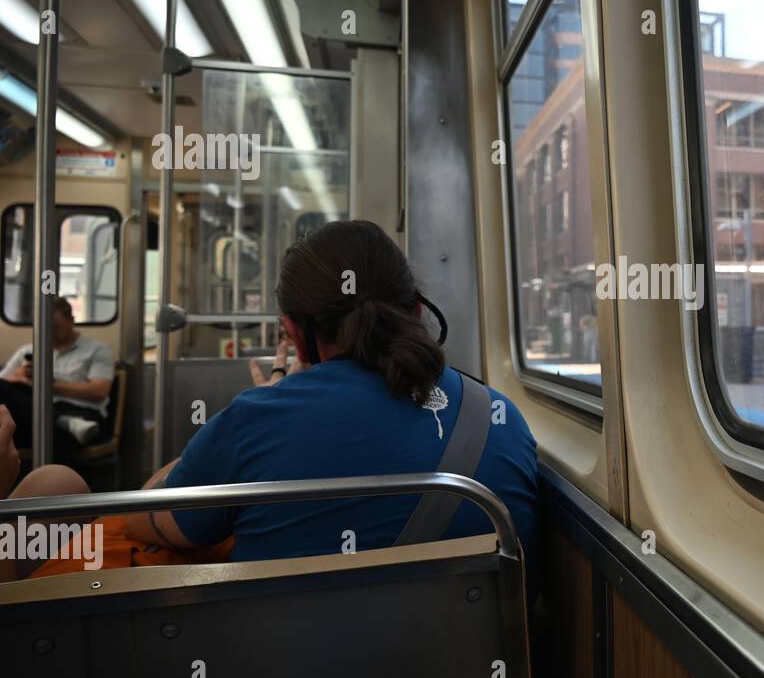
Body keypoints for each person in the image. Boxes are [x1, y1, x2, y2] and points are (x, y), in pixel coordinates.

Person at [122, 219, 540, 568]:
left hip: (281, 667)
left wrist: (260, 407)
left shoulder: (255, 420)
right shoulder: (498, 415)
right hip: (467, 665)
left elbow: (141, 520)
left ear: (295, 336)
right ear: (415, 312)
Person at [0, 295, 113, 452]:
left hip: (80, 414)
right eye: (44, 327)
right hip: (33, 412)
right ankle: (62, 421)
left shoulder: (97, 350)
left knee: (48, 432)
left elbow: (99, 391)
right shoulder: (27, 350)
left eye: (55, 327)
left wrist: (47, 384)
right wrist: (19, 376)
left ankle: (63, 421)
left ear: (71, 321)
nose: (49, 333)